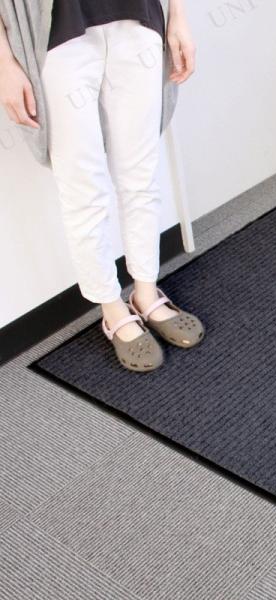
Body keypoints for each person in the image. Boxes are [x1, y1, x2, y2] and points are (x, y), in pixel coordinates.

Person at [0, 0, 204, 372]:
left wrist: (178, 15)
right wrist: (3, 61)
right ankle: (112, 310)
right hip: (58, 34)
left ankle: (146, 294)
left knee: (141, 176)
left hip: (137, 19)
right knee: (83, 190)